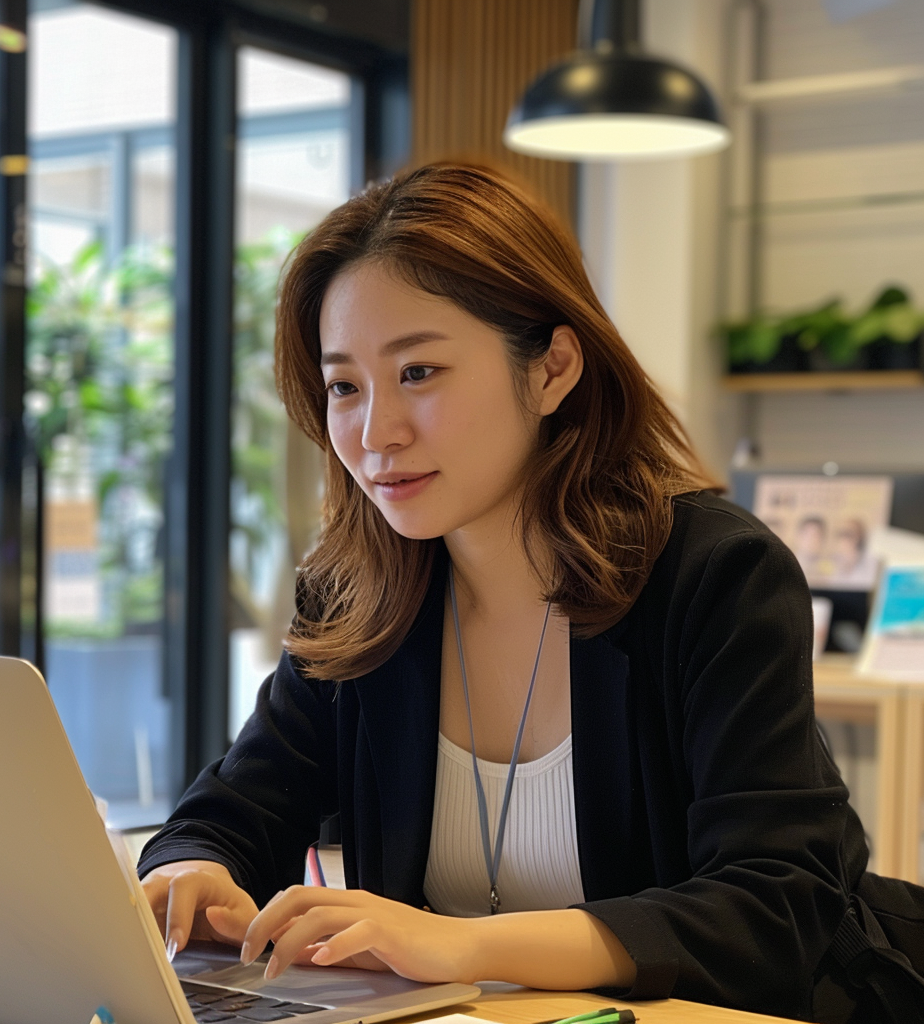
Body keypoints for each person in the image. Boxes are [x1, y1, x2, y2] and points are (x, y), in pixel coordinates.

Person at [138, 164, 870, 1020]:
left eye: (419, 373)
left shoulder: (714, 576)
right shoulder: (357, 595)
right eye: (345, 386)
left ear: (554, 369)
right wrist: (188, 872)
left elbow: (774, 906)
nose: (376, 433)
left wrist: (459, 944)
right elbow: (230, 810)